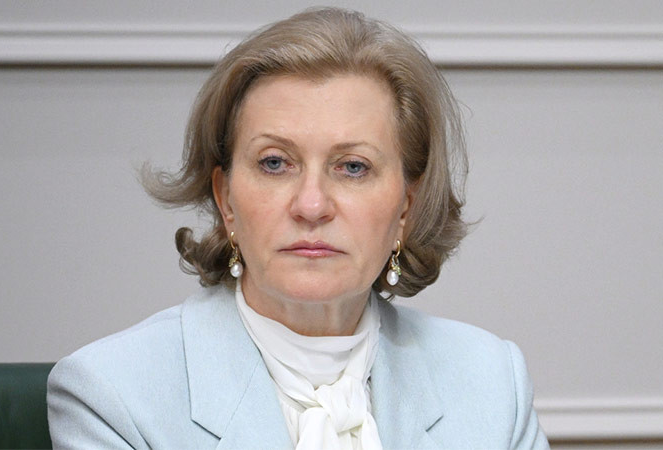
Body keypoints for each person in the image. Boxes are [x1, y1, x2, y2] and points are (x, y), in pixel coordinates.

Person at [47, 7, 549, 449]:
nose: (311, 206)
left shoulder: (491, 381)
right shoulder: (114, 394)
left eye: (352, 167)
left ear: (405, 208)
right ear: (225, 200)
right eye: (275, 163)